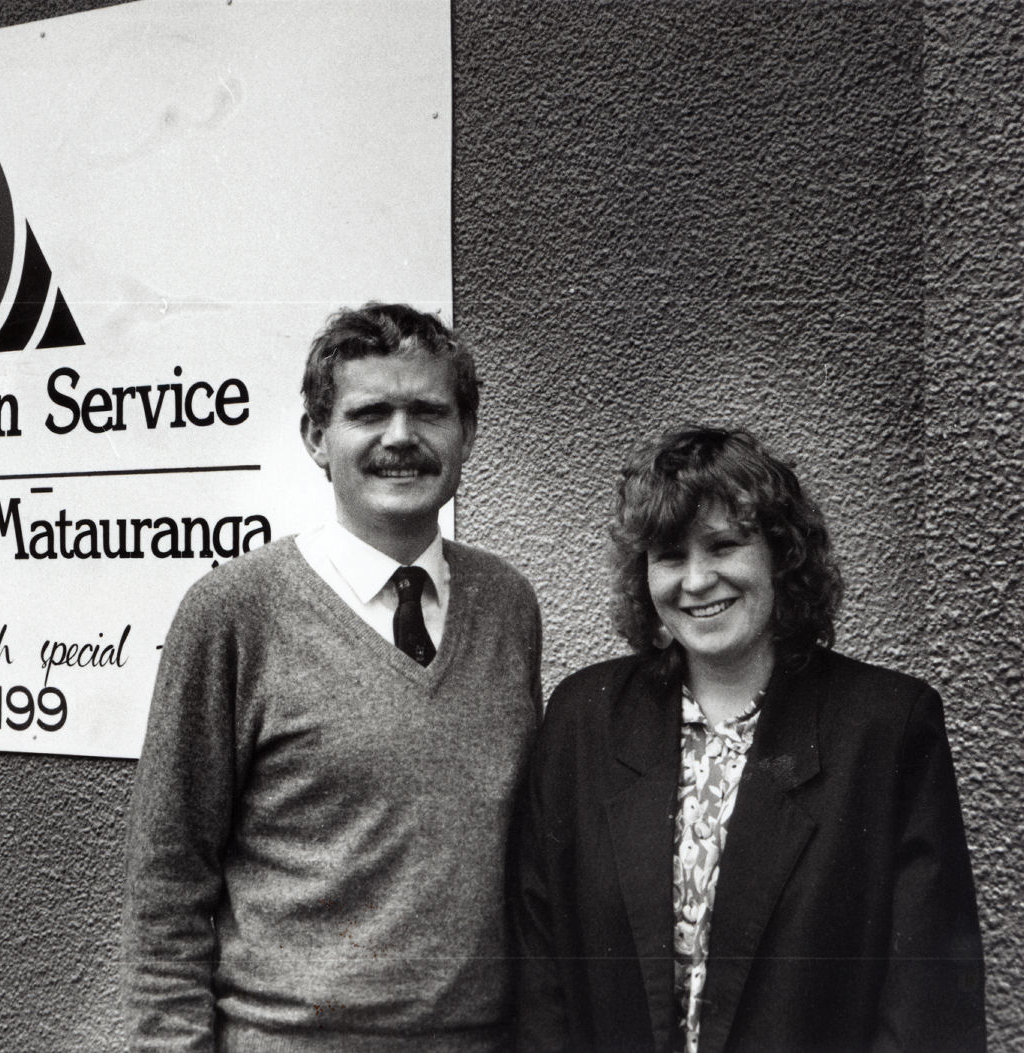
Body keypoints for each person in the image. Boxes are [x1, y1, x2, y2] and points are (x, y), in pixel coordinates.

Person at [122, 303, 543, 1051]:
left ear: (467, 434)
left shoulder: (506, 603)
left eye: (427, 411)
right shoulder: (233, 612)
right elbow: (168, 880)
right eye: (369, 412)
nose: (400, 437)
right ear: (317, 437)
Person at [517, 425, 987, 1053]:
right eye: (669, 555)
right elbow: (540, 966)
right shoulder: (585, 717)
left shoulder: (887, 728)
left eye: (724, 545)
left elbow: (927, 1003)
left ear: (781, 555)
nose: (696, 580)